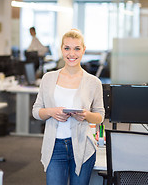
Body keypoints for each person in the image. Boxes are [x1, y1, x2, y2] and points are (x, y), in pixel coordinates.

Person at [32, 29, 105, 185]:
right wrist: (51, 112)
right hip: (55, 146)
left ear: (83, 50)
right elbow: (36, 111)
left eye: (77, 48)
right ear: (62, 49)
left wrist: (86, 115)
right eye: (67, 48)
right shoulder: (48, 78)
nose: (72, 53)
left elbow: (100, 116)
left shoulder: (93, 82)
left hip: (82, 146)